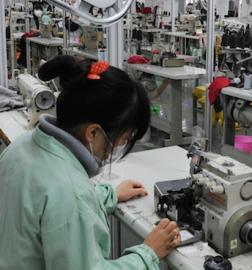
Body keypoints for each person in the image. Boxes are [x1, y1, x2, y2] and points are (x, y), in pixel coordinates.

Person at [0, 55, 181, 270]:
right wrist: (148, 252)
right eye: (123, 138)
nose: (121, 145)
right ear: (93, 133)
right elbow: (65, 203)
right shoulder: (70, 193)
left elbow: (43, 206)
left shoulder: (21, 147)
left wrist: (107, 195)